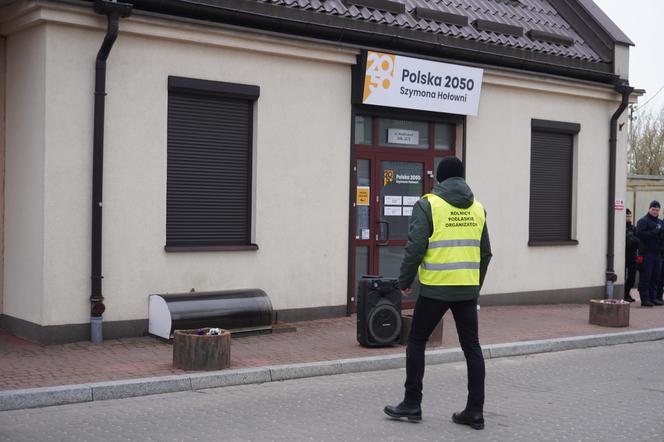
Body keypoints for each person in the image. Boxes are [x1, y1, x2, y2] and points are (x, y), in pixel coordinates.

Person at [384, 157, 492, 430]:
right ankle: (475, 412)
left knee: (417, 341)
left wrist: (405, 280)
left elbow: (416, 245)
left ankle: (412, 403)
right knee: (472, 348)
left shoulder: (428, 204)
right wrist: (473, 285)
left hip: (435, 289)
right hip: (466, 289)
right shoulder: (478, 208)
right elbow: (486, 252)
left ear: (440, 178)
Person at [635, 201, 664, 307]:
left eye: (657, 210)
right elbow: (640, 235)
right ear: (649, 209)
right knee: (646, 277)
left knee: (656, 277)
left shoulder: (660, 222)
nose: (655, 212)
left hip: (658, 254)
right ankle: (645, 299)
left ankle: (653, 298)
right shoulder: (643, 221)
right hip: (647, 253)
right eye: (653, 210)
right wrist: (655, 232)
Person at [624, 208, 638, 302]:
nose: (628, 218)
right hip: (624, 255)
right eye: (627, 216)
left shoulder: (633, 228)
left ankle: (627, 293)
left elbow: (638, 240)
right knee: (623, 276)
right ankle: (623, 294)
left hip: (632, 255)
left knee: (632, 277)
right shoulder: (620, 228)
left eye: (629, 216)